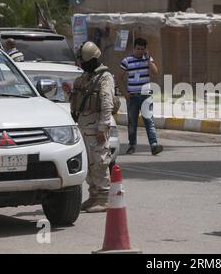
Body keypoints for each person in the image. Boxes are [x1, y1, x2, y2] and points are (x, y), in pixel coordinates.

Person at [69, 41, 116, 213]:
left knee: (100, 162)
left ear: (93, 60)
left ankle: (104, 198)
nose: (82, 65)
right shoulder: (85, 78)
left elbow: (107, 104)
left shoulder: (105, 77)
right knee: (88, 164)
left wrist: (103, 128)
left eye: (85, 62)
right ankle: (93, 196)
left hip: (96, 129)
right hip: (83, 128)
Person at [119, 38, 164, 156]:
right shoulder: (127, 61)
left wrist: (148, 59)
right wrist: (125, 93)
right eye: (138, 48)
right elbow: (119, 78)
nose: (140, 51)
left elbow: (155, 72)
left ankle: (154, 145)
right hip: (132, 97)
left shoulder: (148, 60)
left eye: (142, 49)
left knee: (149, 121)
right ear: (134, 48)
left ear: (145, 49)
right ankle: (132, 145)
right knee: (132, 123)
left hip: (145, 97)